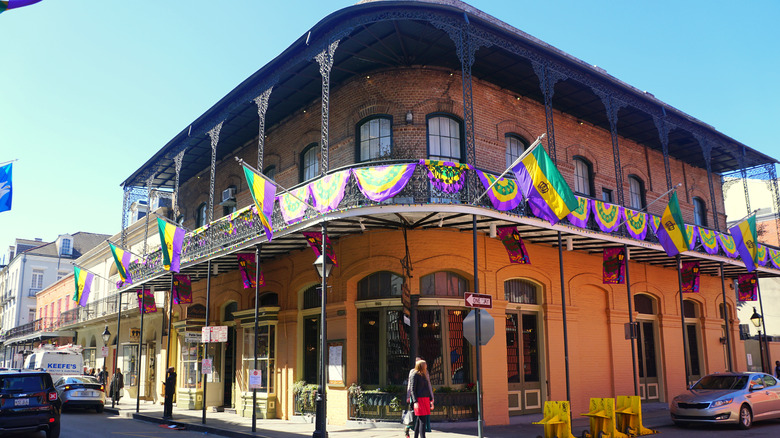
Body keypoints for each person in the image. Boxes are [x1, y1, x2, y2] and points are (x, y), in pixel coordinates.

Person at [406, 357, 434, 438]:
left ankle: (415, 436)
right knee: (422, 421)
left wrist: (431, 399)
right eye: (425, 364)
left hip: (425, 399)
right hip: (419, 399)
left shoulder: (424, 374)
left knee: (419, 420)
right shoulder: (414, 374)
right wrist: (415, 402)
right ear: (421, 365)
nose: (426, 366)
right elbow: (412, 389)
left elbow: (427, 387)